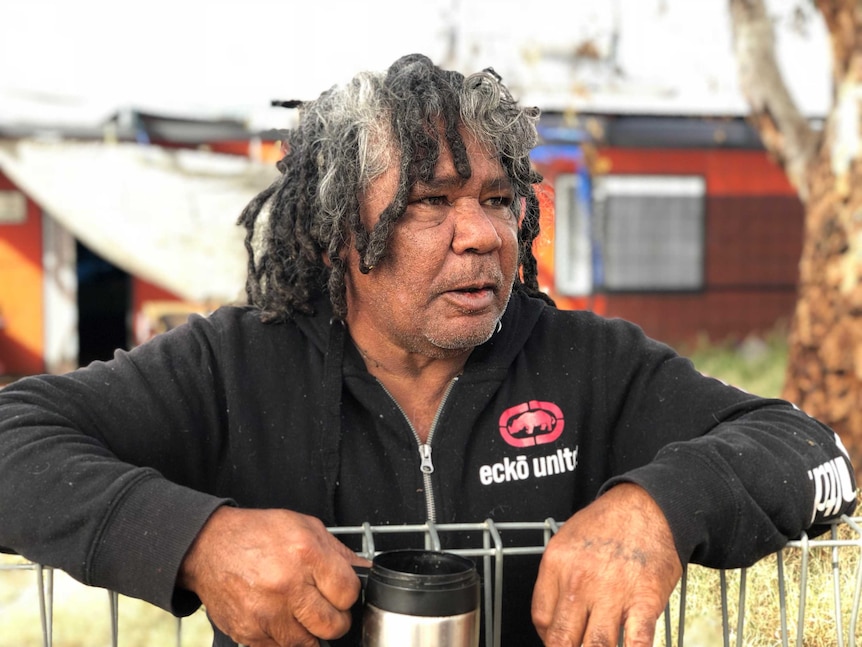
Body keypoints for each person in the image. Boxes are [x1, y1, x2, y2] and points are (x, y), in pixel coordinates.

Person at [0, 53, 856, 647]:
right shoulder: (233, 367)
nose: (481, 235)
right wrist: (199, 538)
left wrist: (660, 505)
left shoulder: (588, 363)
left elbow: (819, 455)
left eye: (497, 197)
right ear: (342, 229)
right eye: (429, 202)